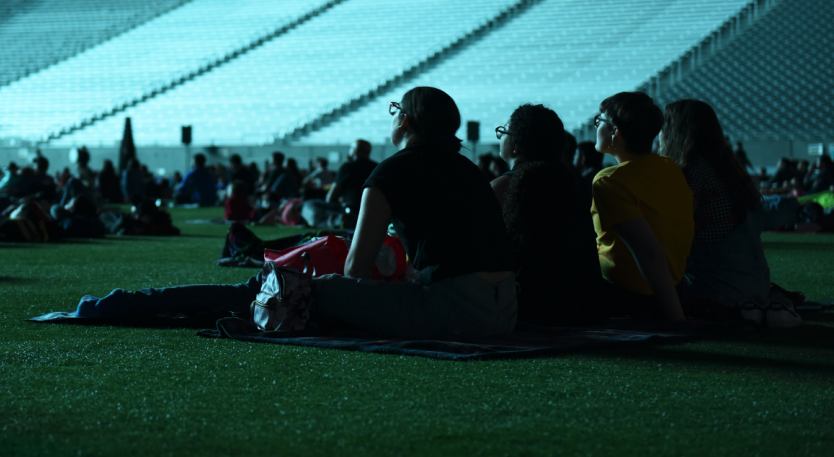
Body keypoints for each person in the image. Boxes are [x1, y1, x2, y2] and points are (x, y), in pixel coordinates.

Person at [74, 87, 517, 341]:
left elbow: (354, 269)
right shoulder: (469, 169)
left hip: (457, 313)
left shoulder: (391, 172)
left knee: (304, 290)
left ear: (405, 122)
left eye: (396, 111)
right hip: (506, 309)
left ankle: (122, 305)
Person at [494, 105, 604, 325]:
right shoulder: (569, 185)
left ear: (515, 144)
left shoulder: (501, 187)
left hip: (522, 306)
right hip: (573, 304)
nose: (500, 138)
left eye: (503, 133)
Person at [591, 92, 693, 320]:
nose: (595, 126)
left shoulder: (609, 180)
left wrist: (676, 320)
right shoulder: (669, 167)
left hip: (629, 298)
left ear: (615, 131)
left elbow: (648, 252)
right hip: (674, 286)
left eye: (599, 121)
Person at [660, 100, 769, 313]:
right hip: (758, 288)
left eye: (664, 126)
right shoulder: (729, 168)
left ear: (675, 130)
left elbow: (667, 236)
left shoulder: (691, 171)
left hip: (719, 293)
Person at [326, 140, 377, 227]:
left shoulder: (347, 167)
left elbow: (330, 197)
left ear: (355, 150)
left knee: (312, 204)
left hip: (351, 211)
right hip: (373, 211)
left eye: (351, 148)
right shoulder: (376, 167)